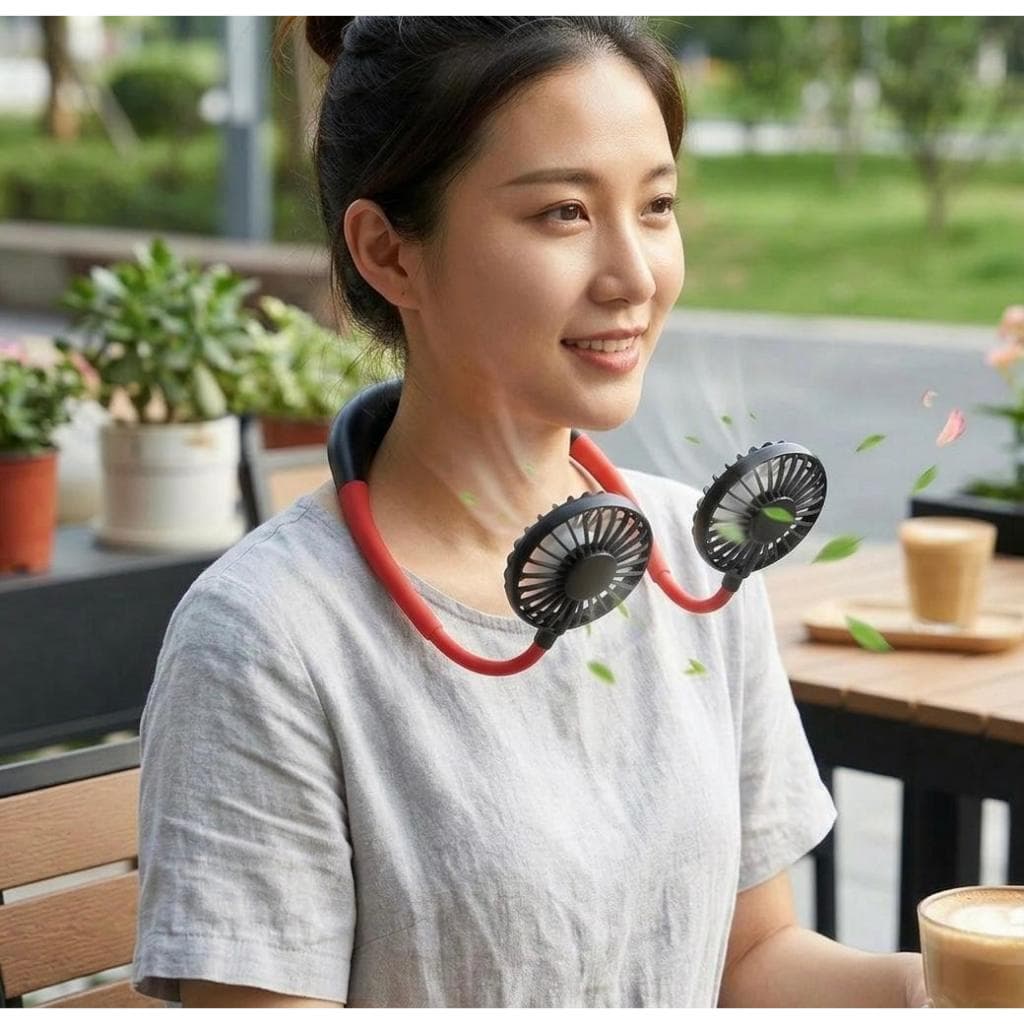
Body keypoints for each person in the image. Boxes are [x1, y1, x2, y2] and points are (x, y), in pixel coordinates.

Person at [131, 16, 926, 1008]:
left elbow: (747, 960)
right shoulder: (266, 642)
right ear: (388, 253)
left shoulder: (695, 557)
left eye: (657, 205)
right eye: (561, 212)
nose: (634, 276)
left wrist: (935, 988)